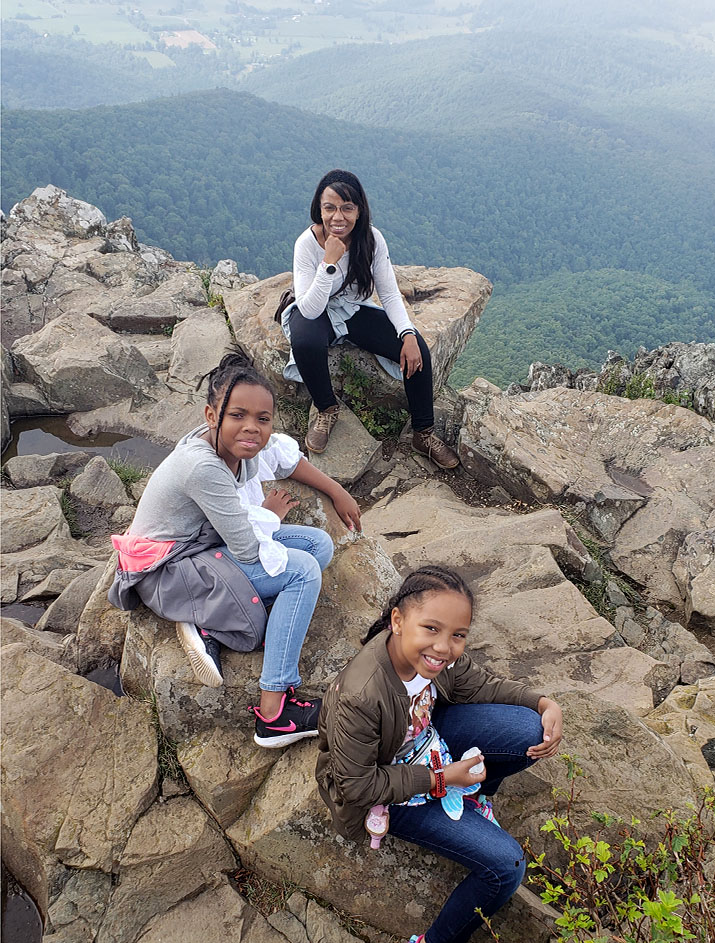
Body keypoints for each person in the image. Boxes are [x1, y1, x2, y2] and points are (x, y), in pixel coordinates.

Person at [316, 566, 563, 943]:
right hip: (389, 792)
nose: (445, 647)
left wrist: (544, 703)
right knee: (506, 867)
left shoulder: (436, 659)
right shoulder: (361, 693)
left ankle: (474, 800)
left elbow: (481, 685)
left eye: (458, 635)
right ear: (397, 621)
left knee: (529, 730)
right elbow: (356, 785)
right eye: (431, 629)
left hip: (431, 742)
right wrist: (442, 780)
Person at [108, 351, 361, 748]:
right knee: (303, 572)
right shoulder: (204, 466)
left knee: (319, 545)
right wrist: (270, 515)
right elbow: (245, 548)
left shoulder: (234, 444)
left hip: (201, 546)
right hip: (169, 571)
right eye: (238, 415)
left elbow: (284, 457)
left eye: (262, 418)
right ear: (212, 416)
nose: (252, 428)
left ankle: (219, 617)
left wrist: (336, 489)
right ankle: (275, 713)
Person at [281, 168, 460, 469]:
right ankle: (326, 409)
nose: (338, 217)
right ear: (319, 209)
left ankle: (423, 433)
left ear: (359, 210)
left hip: (351, 309)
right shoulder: (306, 244)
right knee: (305, 342)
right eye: (330, 208)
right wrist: (329, 262)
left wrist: (407, 334)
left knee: (418, 353)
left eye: (347, 208)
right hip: (317, 306)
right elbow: (309, 309)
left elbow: (389, 294)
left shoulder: (372, 240)